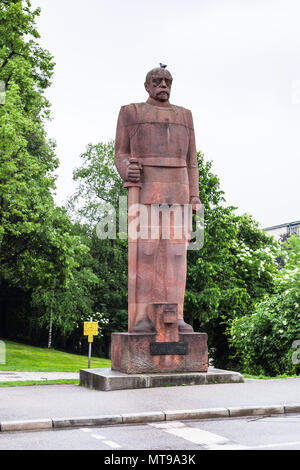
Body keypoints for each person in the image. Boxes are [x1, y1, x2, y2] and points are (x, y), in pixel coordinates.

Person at [115, 65, 201, 333]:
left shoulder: (185, 116)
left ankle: (176, 315)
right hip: (145, 191)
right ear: (147, 85)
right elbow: (120, 153)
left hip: (179, 191)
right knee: (147, 253)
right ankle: (141, 317)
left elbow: (192, 162)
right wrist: (125, 167)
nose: (163, 84)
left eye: (167, 81)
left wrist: (195, 195)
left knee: (177, 255)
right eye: (157, 81)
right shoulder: (131, 112)